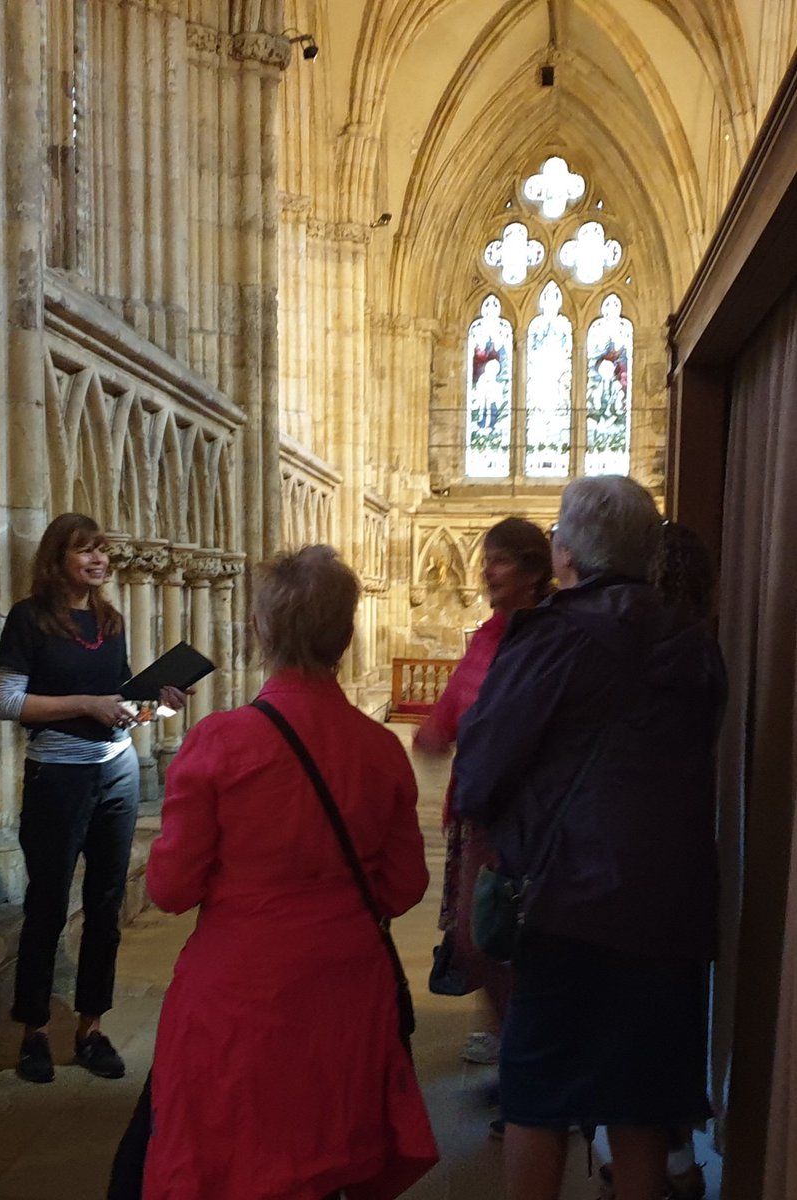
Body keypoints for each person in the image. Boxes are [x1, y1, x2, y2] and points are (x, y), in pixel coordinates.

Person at [454, 477, 725, 1200]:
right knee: (640, 1108)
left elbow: (479, 773)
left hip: (568, 906)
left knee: (539, 1101)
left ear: (565, 551)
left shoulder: (554, 637)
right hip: (671, 915)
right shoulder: (696, 649)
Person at [139, 545, 438, 1200]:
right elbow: (403, 887)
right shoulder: (379, 749)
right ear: (347, 636)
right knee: (329, 1159)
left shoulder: (219, 741)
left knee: (230, 1164)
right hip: (346, 991)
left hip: (239, 995)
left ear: (261, 630)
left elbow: (170, 888)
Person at [0, 513, 189, 1085]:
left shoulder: (110, 620)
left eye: (102, 550)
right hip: (57, 774)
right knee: (48, 904)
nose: (99, 560)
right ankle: (32, 1030)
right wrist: (85, 703)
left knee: (105, 905)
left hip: (117, 771)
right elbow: (8, 702)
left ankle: (90, 1028)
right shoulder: (28, 620)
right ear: (58, 560)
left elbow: (125, 705)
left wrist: (164, 702)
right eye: (85, 552)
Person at [595, 521, 720, 1200]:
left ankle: (645, 1168)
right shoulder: (703, 654)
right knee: (669, 1024)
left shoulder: (641, 657)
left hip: (628, 870)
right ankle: (674, 1160)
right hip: (684, 867)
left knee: (632, 1038)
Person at [415, 518, 551, 1080]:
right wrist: (435, 732)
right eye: (487, 559)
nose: (487, 570)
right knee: (479, 942)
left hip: (524, 819)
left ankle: (528, 1057)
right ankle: (509, 1039)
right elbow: (452, 706)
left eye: (501, 560)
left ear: (535, 572)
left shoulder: (548, 638)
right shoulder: (488, 636)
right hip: (473, 814)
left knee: (504, 941)